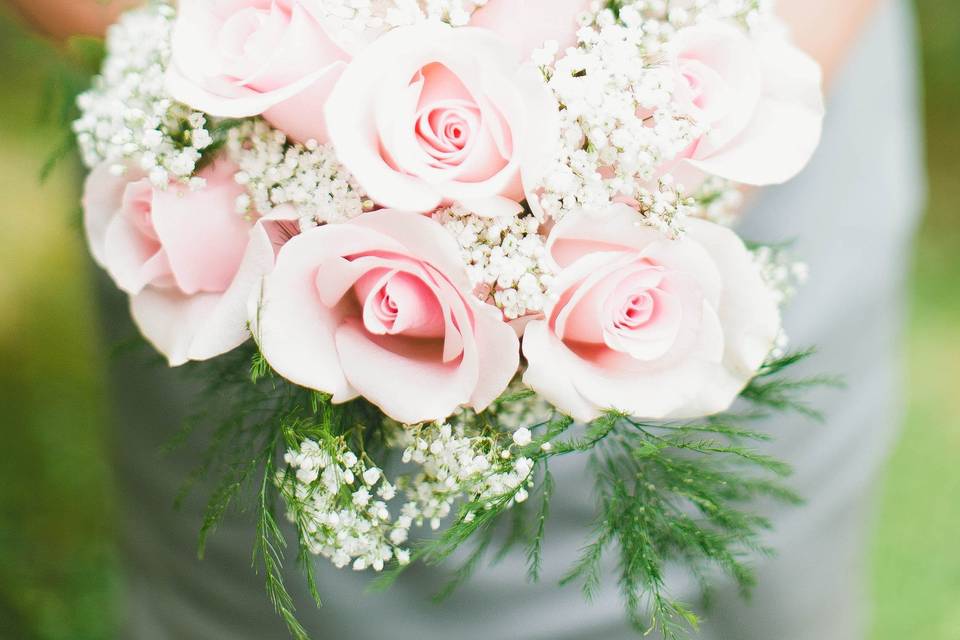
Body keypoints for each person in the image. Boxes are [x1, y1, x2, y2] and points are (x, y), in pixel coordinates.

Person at [7, 1, 925, 638]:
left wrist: (640, 178)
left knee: (756, 587)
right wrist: (221, 87)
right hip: (260, 205)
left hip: (723, 107)